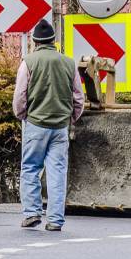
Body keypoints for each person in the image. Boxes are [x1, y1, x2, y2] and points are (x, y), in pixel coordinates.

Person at [13, 19, 84, 231]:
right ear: (54, 41)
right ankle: (55, 220)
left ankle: (32, 213)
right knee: (57, 172)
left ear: (35, 42)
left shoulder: (29, 62)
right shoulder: (68, 63)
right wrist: (70, 118)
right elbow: (78, 98)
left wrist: (23, 115)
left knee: (30, 168)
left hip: (36, 123)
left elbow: (20, 96)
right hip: (60, 126)